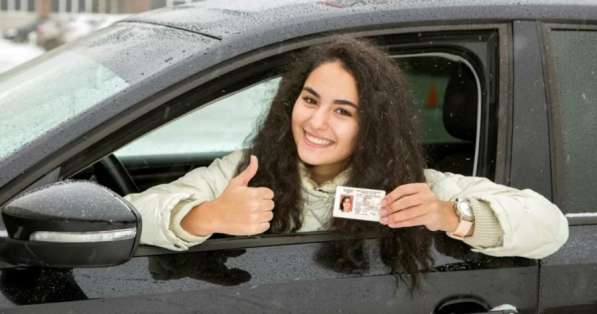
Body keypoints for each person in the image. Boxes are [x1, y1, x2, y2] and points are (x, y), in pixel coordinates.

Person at [124, 35, 568, 288]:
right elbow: (131, 215)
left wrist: (450, 215)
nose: (316, 122)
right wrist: (205, 216)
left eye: (343, 111)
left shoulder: (413, 186)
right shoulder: (245, 170)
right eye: (310, 100)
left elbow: (551, 229)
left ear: (373, 123)